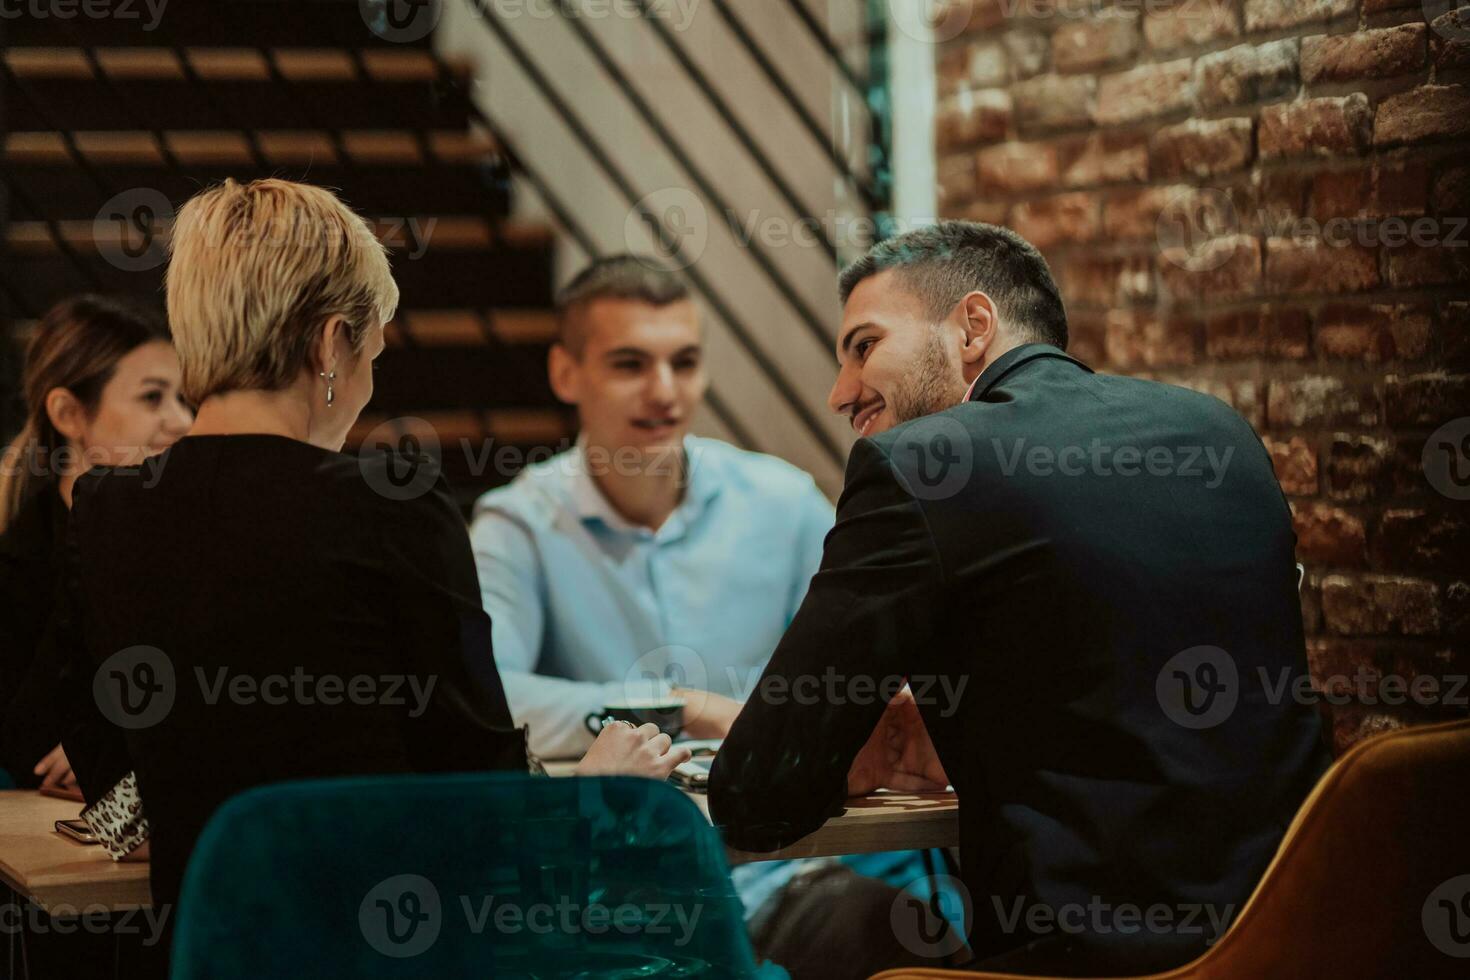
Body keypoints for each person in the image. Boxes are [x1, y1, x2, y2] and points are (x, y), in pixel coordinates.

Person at [57, 179, 688, 923]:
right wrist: (595, 787)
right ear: (330, 344)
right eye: (372, 355)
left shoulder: (103, 508)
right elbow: (481, 803)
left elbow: (103, 769)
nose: (366, 382)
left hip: (211, 950)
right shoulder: (390, 506)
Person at [709, 221, 1331, 976]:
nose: (840, 393)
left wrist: (844, 755)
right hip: (1297, 940)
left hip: (1079, 966)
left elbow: (753, 794)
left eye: (864, 346)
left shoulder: (922, 465)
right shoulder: (1220, 433)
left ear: (973, 327)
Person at [469, 255, 946, 978]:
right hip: (637, 895)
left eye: (684, 362)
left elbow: (873, 662)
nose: (664, 392)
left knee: (900, 934)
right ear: (566, 374)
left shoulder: (782, 503)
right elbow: (492, 697)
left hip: (795, 865)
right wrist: (682, 713)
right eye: (631, 364)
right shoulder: (517, 524)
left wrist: (720, 714)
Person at [0, 296, 193, 793]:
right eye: (153, 398)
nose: (183, 421)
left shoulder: (182, 537)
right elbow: (24, 740)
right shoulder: (19, 558)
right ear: (68, 413)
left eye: (182, 398)